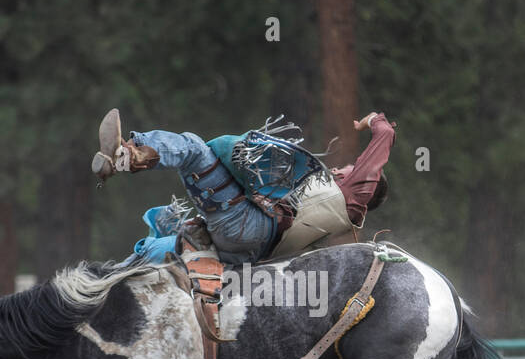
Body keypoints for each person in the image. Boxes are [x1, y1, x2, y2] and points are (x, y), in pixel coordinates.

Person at [91, 108, 394, 264]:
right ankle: (105, 283)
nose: (342, 169)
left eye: (350, 169)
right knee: (154, 250)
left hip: (249, 228)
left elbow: (385, 135)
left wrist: (373, 119)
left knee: (195, 149)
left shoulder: (358, 193)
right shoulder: (340, 212)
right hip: (245, 247)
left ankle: (125, 155)